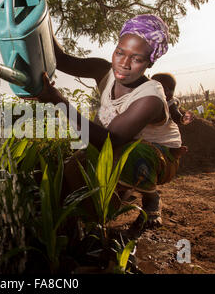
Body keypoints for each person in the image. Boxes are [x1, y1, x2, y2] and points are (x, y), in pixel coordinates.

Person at [31, 14, 184, 229]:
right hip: (119, 146)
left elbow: (110, 141)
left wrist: (59, 101)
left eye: (137, 58)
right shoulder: (103, 70)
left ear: (150, 61)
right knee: (72, 173)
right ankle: (109, 200)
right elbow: (60, 59)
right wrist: (41, 18)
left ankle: (149, 196)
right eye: (120, 52)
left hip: (158, 156)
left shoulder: (151, 98)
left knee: (130, 156)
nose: (124, 64)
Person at [151, 73, 195, 159]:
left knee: (171, 143)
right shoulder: (147, 100)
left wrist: (184, 119)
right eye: (162, 88)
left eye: (171, 89)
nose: (167, 92)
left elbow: (177, 116)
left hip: (166, 133)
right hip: (149, 133)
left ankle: (175, 151)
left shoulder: (170, 103)